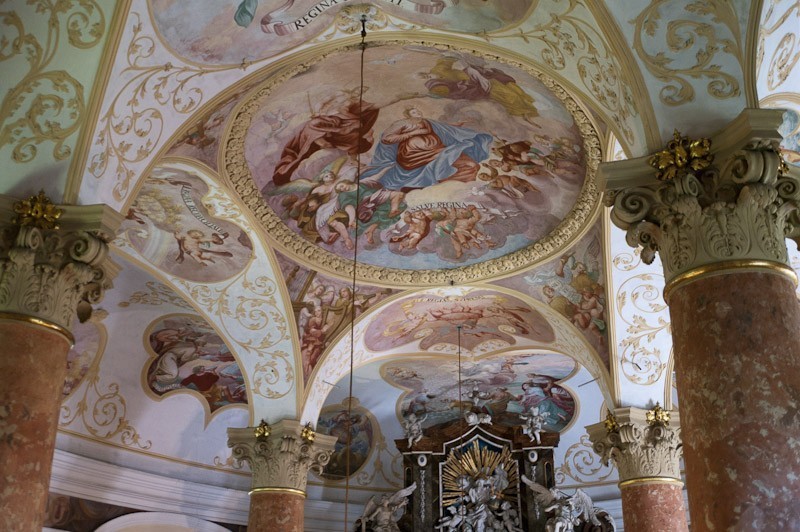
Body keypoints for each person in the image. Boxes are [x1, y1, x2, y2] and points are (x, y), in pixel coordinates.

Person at [361, 106, 492, 191]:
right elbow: (387, 138)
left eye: (418, 111)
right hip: (414, 155)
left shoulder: (427, 121)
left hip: (437, 149)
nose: (417, 113)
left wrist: (457, 125)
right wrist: (413, 133)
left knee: (468, 163)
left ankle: (460, 188)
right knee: (459, 162)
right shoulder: (402, 123)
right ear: (408, 115)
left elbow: (443, 128)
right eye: (413, 112)